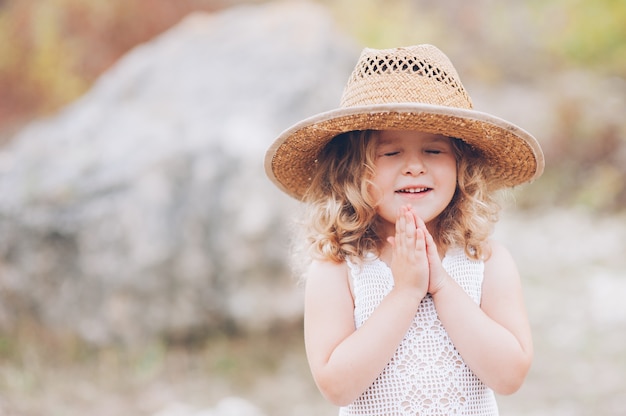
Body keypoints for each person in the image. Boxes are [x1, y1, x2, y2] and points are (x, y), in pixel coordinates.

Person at [264, 44, 544, 415]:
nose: (414, 166)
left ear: (462, 166)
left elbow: (510, 376)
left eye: (434, 151)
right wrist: (406, 292)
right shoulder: (338, 268)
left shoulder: (485, 260)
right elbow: (336, 385)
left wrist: (441, 285)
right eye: (390, 153)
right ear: (352, 171)